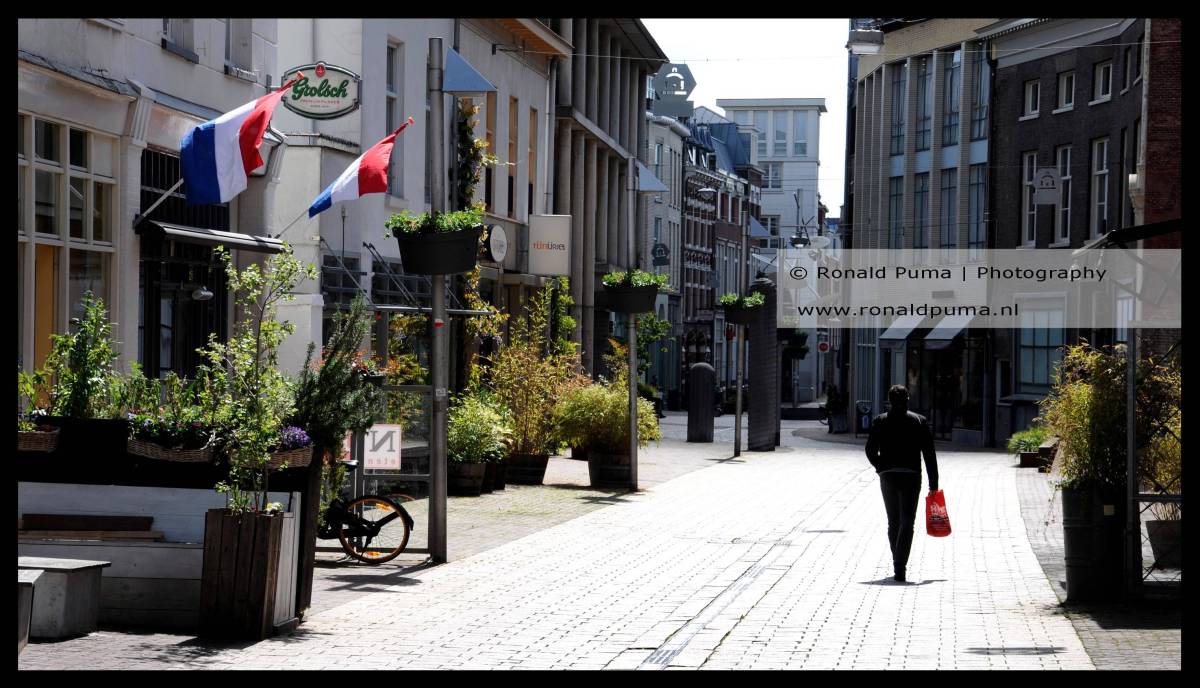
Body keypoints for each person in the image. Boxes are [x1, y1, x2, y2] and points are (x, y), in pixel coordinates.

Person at [865, 384, 939, 582]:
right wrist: (934, 484)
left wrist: (880, 467)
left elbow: (870, 449)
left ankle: (898, 561)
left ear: (889, 401)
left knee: (894, 521)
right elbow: (929, 454)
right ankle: (900, 565)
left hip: (888, 476)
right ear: (907, 400)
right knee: (907, 522)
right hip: (911, 476)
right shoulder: (919, 421)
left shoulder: (880, 421)